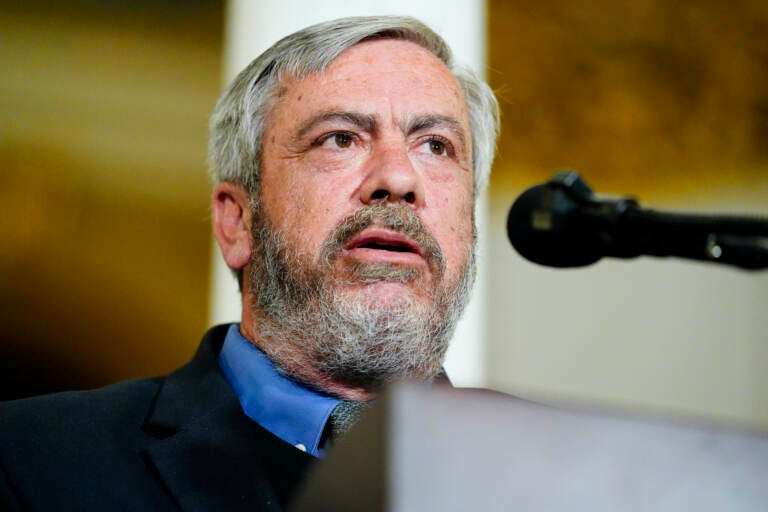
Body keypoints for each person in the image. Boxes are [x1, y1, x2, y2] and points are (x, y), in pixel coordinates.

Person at [0, 15, 499, 511]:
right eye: (340, 138)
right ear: (238, 222)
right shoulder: (28, 456)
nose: (398, 176)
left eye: (436, 146)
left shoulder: (558, 480)